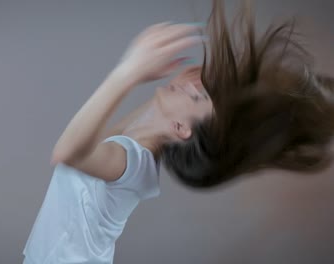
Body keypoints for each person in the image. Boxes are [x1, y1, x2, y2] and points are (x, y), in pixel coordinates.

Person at [23, 0, 334, 263]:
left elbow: (68, 151)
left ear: (180, 128)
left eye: (197, 96)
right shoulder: (136, 147)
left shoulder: (130, 163)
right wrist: (185, 87)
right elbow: (112, 134)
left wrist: (128, 71)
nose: (191, 85)